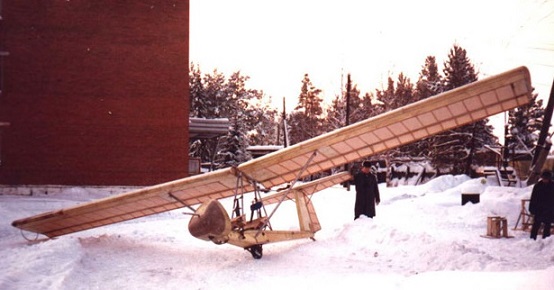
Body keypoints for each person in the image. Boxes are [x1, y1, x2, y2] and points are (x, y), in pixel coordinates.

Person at [529, 170, 554, 240]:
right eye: (544, 178)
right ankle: (532, 239)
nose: (545, 180)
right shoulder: (537, 186)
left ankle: (546, 240)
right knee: (536, 224)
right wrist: (532, 209)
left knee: (547, 225)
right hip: (539, 209)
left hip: (549, 209)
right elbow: (533, 198)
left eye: (546, 179)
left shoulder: (552, 186)